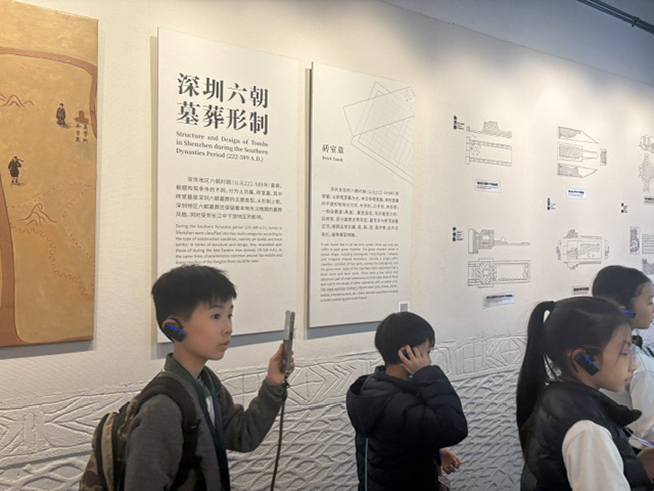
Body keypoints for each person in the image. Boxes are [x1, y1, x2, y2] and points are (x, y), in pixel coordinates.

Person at [124, 264, 291, 490]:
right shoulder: (161, 408)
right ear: (173, 329)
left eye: (229, 315)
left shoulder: (206, 382)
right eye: (216, 316)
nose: (228, 328)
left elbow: (243, 435)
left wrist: (273, 382)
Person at [516, 296, 654, 490]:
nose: (633, 365)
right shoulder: (588, 429)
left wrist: (635, 466)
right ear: (583, 359)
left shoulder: (555, 397)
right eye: (624, 353)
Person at [346, 311, 468, 490]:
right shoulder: (396, 403)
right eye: (427, 352)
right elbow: (454, 427)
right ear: (407, 353)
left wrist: (435, 451)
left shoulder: (374, 388)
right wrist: (426, 373)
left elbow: (397, 438)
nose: (429, 359)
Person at [592, 265, 654, 449]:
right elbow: (649, 432)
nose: (653, 308)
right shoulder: (639, 366)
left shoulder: (597, 351)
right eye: (650, 302)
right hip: (637, 453)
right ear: (624, 308)